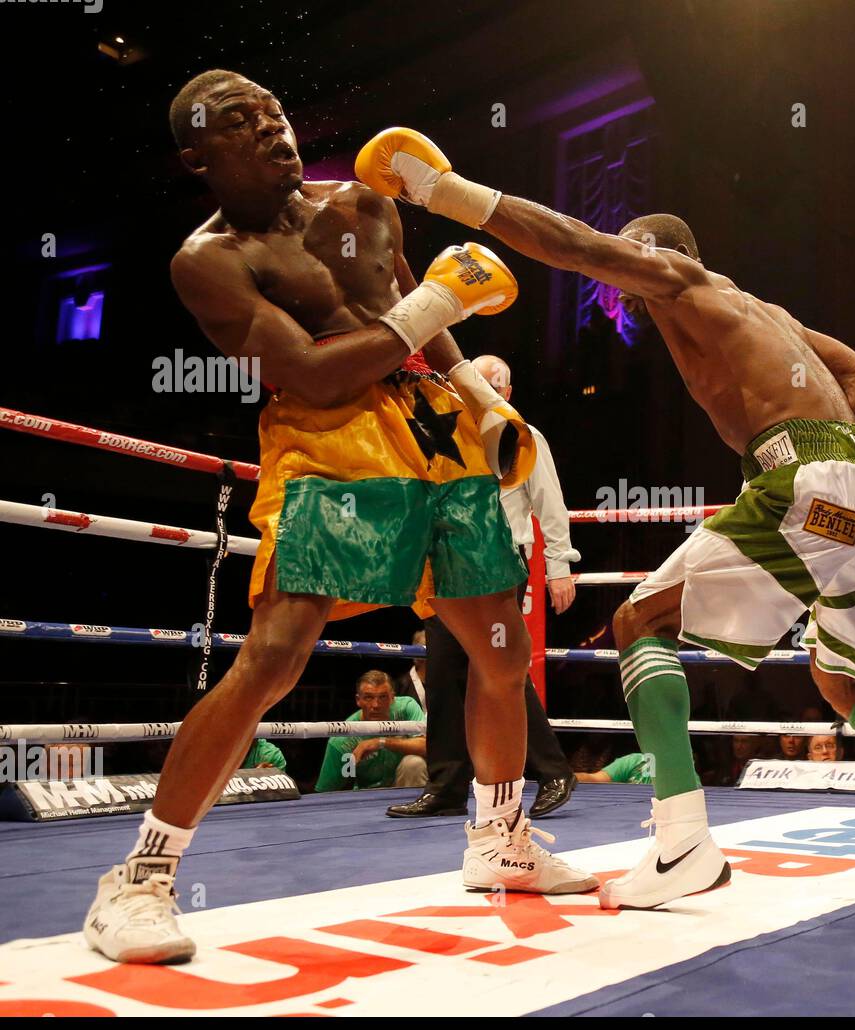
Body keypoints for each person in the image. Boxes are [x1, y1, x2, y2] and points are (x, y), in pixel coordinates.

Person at [354, 126, 855, 906]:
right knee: (840, 679)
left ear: (660, 253)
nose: (617, 280)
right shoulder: (765, 312)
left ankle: (682, 841)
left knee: (638, 624)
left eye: (627, 260)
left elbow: (572, 243)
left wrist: (438, 190)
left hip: (815, 482)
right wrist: (827, 466)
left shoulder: (678, 277)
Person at [84, 74, 595, 966]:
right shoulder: (209, 259)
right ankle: (140, 878)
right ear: (198, 157)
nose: (271, 127)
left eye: (274, 111)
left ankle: (501, 841)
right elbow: (318, 372)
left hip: (435, 429)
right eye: (241, 123)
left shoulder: (363, 202)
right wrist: (440, 300)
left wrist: (479, 397)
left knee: (502, 649)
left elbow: (425, 326)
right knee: (275, 658)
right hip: (328, 437)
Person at [387, 354, 579, 819]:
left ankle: (553, 769)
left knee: (498, 669)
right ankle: (447, 785)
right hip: (445, 567)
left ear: (506, 394)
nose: (480, 392)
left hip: (498, 563)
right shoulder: (444, 432)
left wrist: (559, 566)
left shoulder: (522, 434)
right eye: (473, 383)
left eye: (491, 385)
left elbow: (549, 504)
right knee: (446, 671)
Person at [316, 672, 427, 791]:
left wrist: (380, 742)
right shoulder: (343, 740)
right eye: (368, 697)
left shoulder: (407, 708)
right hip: (367, 797)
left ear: (392, 698)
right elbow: (326, 791)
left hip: (403, 790)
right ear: (358, 700)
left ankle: (417, 808)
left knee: (414, 764)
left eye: (383, 697)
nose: (376, 705)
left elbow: (426, 746)